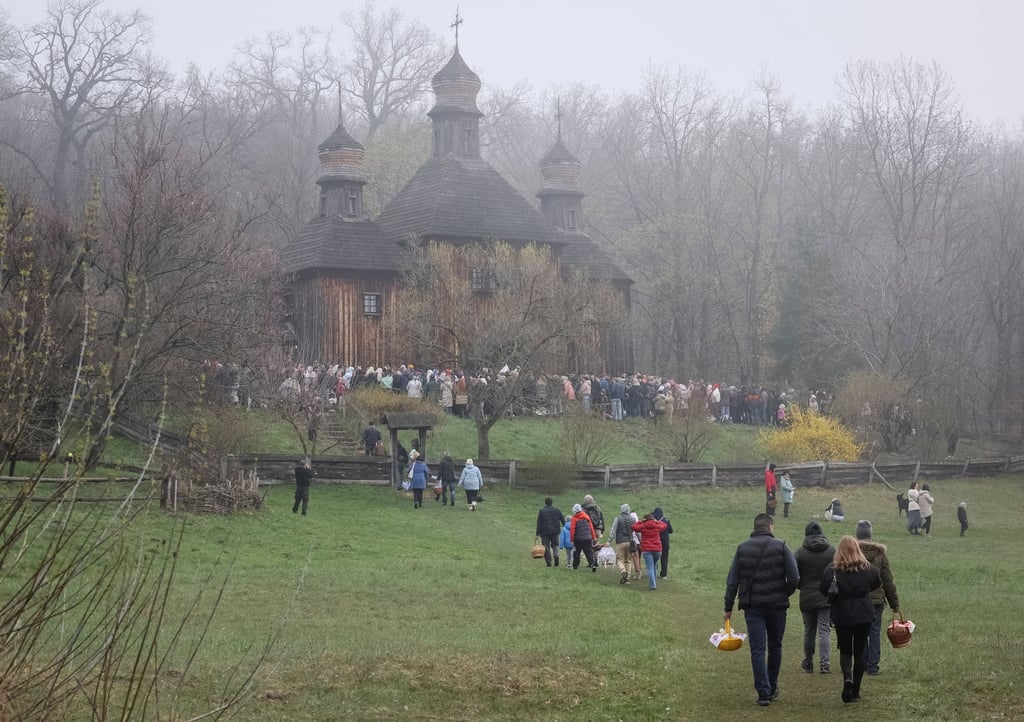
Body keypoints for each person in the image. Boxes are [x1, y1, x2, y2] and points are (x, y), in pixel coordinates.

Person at [723, 513, 800, 706]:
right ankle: (772, 687)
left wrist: (728, 607)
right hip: (777, 606)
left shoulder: (742, 548)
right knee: (775, 646)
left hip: (753, 606)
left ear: (755, 527)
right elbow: (794, 577)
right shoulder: (781, 546)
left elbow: (732, 581)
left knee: (758, 649)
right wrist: (785, 593)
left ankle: (763, 692)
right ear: (770, 527)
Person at [819, 535, 880, 703]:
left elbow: (823, 589)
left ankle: (847, 678)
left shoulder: (832, 569)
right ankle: (856, 691)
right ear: (857, 549)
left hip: (842, 613)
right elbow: (876, 583)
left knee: (845, 650)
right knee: (860, 651)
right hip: (863, 613)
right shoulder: (867, 568)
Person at [855, 520, 901, 676]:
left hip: (858, 600)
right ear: (870, 534)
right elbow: (888, 581)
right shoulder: (880, 554)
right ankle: (873, 666)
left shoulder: (852, 553)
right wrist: (894, 603)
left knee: (860, 632)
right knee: (874, 632)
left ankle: (862, 663)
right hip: (876, 601)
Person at [795, 521, 835, 674]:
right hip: (826, 595)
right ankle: (825, 664)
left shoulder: (800, 553)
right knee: (824, 630)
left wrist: (802, 586)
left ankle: (809, 661)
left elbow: (795, 575)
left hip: (807, 595)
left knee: (809, 630)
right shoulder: (831, 551)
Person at [632, 512, 668, 590]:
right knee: (654, 565)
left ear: (645, 519)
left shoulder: (643, 526)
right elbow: (665, 525)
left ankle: (652, 585)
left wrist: (641, 521)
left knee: (650, 567)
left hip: (647, 549)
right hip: (657, 549)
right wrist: (657, 521)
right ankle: (654, 582)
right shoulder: (657, 525)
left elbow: (633, 527)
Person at [608, 504, 636, 584]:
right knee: (628, 560)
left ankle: (623, 571)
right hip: (630, 542)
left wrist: (609, 541)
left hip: (620, 542)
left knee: (618, 559)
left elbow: (613, 531)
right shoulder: (633, 520)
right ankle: (627, 578)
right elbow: (636, 532)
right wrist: (640, 540)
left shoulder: (618, 518)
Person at [535, 497, 564, 567]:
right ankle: (556, 556)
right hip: (555, 531)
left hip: (545, 532)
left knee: (546, 547)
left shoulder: (542, 511)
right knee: (555, 545)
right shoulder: (557, 510)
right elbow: (562, 519)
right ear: (552, 503)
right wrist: (565, 526)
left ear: (545, 503)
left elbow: (539, 523)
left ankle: (549, 562)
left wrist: (537, 534)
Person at [569, 503, 598, 571]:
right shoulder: (586, 516)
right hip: (588, 538)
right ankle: (592, 564)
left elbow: (572, 529)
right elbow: (591, 527)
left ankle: (575, 566)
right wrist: (594, 537)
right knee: (588, 552)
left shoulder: (574, 518)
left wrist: (572, 539)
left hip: (578, 539)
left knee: (576, 552)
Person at [652, 507, 673, 578]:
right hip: (665, 542)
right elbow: (671, 530)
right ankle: (664, 574)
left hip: (656, 542)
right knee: (664, 557)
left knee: (655, 557)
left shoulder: (654, 521)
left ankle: (655, 572)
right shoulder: (666, 520)